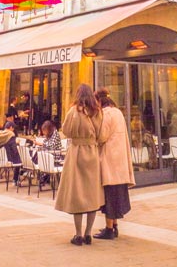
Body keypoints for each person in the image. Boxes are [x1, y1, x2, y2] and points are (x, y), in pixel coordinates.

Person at [55, 83, 104, 246]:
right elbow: (101, 134)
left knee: (77, 195)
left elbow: (66, 130)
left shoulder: (74, 111)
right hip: (92, 152)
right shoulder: (97, 111)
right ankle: (88, 233)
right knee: (91, 195)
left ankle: (78, 235)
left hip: (76, 152)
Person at [94, 88, 135, 241]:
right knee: (117, 193)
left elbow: (102, 136)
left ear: (99, 101)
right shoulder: (117, 112)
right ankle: (114, 226)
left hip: (110, 158)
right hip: (120, 159)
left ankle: (109, 229)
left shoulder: (106, 114)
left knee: (110, 195)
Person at [0, 121, 22, 185]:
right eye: (13, 128)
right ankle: (16, 179)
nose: (13, 130)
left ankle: (22, 173)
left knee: (18, 158)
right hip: (9, 159)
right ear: (10, 127)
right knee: (20, 158)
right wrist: (17, 144)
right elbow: (14, 149)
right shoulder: (10, 135)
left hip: (1, 159)